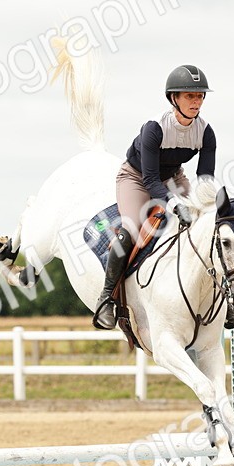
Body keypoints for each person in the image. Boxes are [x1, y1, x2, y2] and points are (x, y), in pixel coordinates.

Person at [92, 64, 218, 329]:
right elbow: (150, 180)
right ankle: (106, 298)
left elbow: (205, 178)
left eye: (200, 96)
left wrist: (208, 205)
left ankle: (218, 296)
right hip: (136, 178)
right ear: (174, 98)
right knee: (131, 229)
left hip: (174, 177)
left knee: (204, 224)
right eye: (190, 96)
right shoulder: (155, 128)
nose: (196, 102)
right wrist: (175, 204)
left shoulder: (205, 132)